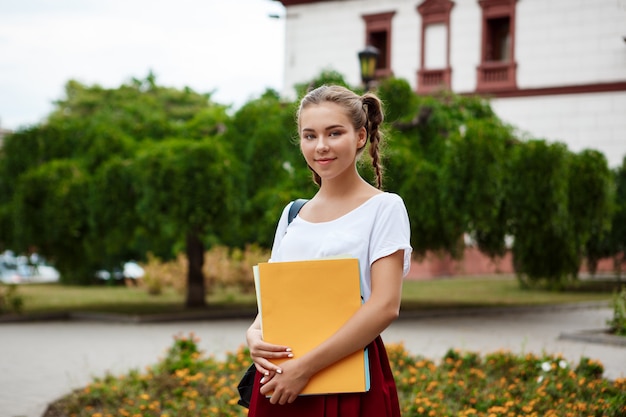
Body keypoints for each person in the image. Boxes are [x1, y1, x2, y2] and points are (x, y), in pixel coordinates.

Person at [246, 85, 412, 417]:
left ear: (361, 136)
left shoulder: (384, 208)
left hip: (346, 376)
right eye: (310, 136)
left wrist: (305, 369)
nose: (321, 146)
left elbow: (384, 306)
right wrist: (254, 332)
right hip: (282, 380)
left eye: (334, 133)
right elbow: (277, 297)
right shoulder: (293, 213)